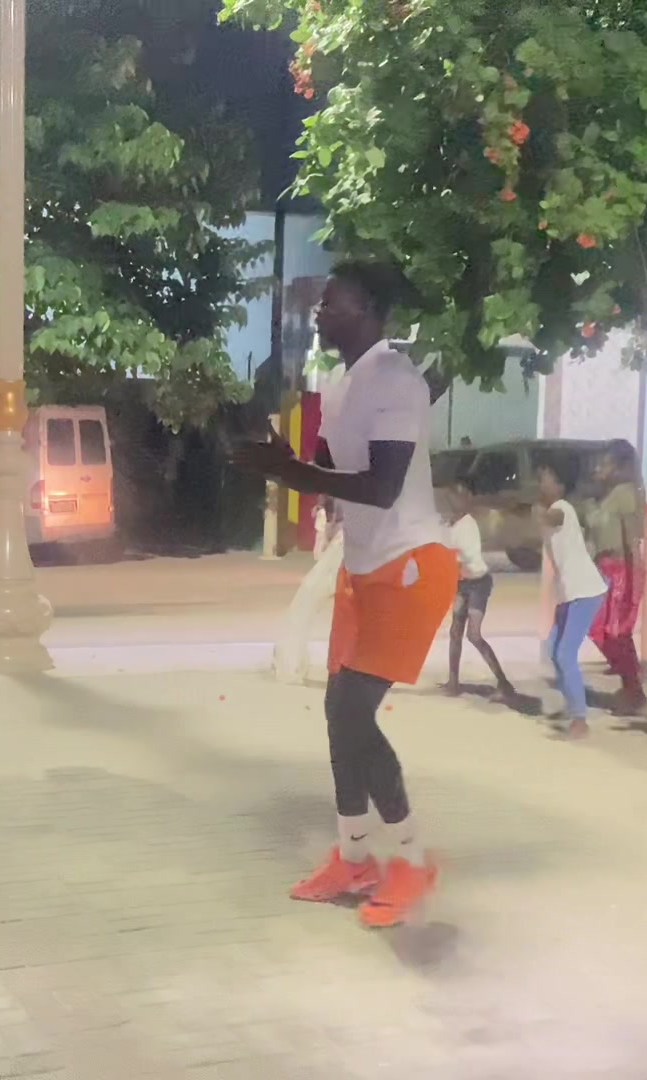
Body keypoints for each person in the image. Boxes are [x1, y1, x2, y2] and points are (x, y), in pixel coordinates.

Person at [229, 262, 457, 929]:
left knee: (353, 713)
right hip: (361, 569)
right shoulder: (339, 383)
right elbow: (326, 475)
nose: (321, 312)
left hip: (411, 565)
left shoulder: (397, 380)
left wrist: (289, 469)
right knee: (339, 715)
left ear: (368, 310)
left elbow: (381, 487)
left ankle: (412, 859)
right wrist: (276, 460)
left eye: (333, 303)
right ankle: (354, 857)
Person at [537, 460, 608, 738]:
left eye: (546, 478)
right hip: (571, 593)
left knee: (565, 654)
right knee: (554, 650)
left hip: (584, 591)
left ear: (560, 486)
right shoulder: (555, 509)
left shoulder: (562, 508)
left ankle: (580, 718)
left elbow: (552, 519)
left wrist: (524, 511)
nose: (541, 483)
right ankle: (573, 706)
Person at [583, 441, 647, 715]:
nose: (600, 468)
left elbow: (630, 537)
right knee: (607, 630)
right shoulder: (611, 493)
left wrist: (634, 577)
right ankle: (631, 685)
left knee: (611, 631)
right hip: (608, 567)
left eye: (606, 463)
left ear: (620, 466)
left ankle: (633, 690)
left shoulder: (624, 493)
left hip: (621, 568)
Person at [443, 479, 515, 699]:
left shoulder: (467, 525)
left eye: (460, 495)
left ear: (468, 498)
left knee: (473, 635)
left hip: (478, 583)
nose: (455, 499)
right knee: (455, 633)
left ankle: (504, 683)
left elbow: (464, 556)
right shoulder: (453, 524)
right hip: (463, 583)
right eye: (453, 495)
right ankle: (453, 682)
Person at [274, 502, 344, 685]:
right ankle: (291, 662)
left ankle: (290, 662)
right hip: (349, 541)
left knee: (309, 596)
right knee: (309, 596)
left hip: (350, 543)